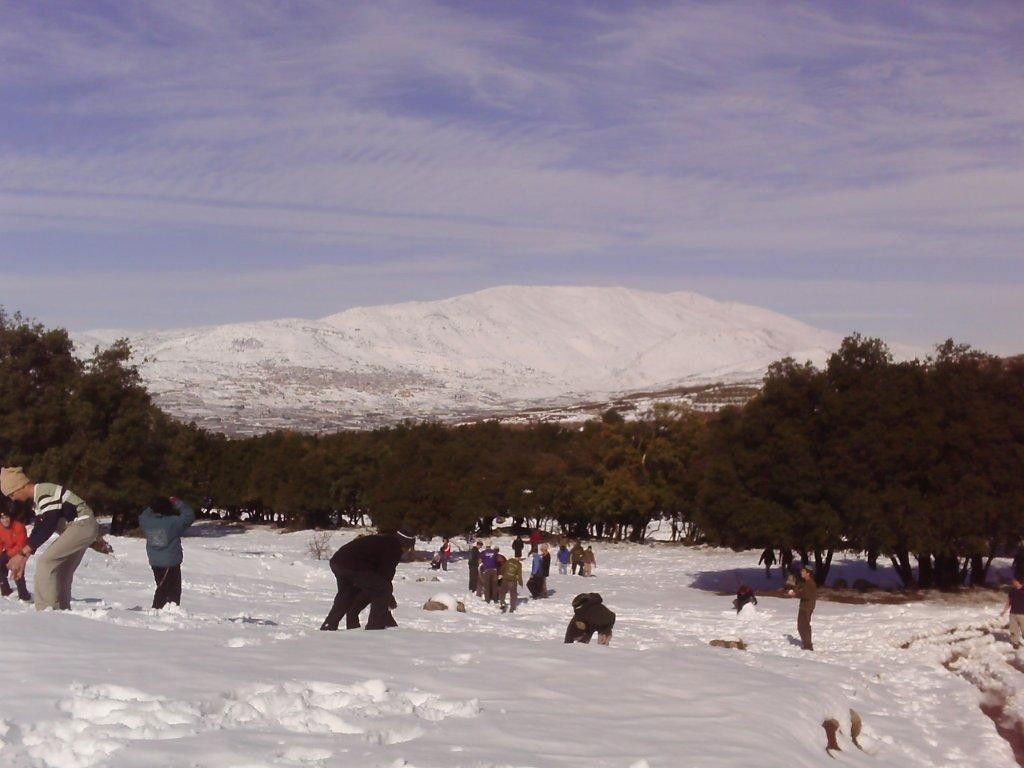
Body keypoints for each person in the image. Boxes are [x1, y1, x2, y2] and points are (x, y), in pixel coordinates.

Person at [1, 467, 100, 611]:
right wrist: (23, 559)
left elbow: (48, 524)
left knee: (45, 562)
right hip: (82, 528)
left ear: (19, 486)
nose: (13, 499)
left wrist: (21, 554)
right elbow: (38, 530)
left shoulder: (44, 492)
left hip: (82, 525)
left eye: (11, 494)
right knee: (62, 572)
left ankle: (46, 613)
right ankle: (63, 612)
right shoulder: (38, 501)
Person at [320, 530, 413, 631]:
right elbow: (385, 576)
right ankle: (375, 628)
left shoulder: (384, 541)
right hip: (353, 564)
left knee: (347, 593)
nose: (407, 551)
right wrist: (388, 598)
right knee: (382, 589)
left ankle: (329, 626)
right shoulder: (394, 548)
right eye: (408, 548)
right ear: (405, 544)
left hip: (338, 561)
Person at [138, 496, 196, 609]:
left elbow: (143, 515)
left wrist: (153, 505)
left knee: (162, 587)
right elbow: (189, 516)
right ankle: (162, 611)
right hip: (170, 563)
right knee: (171, 592)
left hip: (155, 562)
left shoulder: (146, 521)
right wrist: (177, 502)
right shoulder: (173, 522)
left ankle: (160, 611)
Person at [0, 507, 32, 601]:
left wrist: (9, 556)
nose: (5, 520)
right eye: (2, 518)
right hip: (8, 551)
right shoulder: (0, 528)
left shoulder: (18, 526)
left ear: (10, 518)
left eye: (6, 517)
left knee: (17, 573)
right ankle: (5, 590)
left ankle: (24, 596)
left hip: (21, 553)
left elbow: (21, 545)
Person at [1001, 576, 1024, 649]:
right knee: (1013, 629)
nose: (1013, 582)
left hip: (1023, 614)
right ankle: (1015, 643)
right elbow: (1008, 602)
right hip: (1013, 614)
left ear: (1019, 582)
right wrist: (1004, 610)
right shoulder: (1012, 591)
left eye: (1014, 581)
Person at [797, 566, 817, 650]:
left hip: (807, 607)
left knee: (804, 626)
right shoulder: (806, 582)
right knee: (802, 626)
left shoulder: (810, 583)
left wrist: (795, 593)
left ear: (808, 573)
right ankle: (807, 645)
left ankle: (808, 646)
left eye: (803, 571)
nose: (801, 572)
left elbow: (806, 595)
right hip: (804, 606)